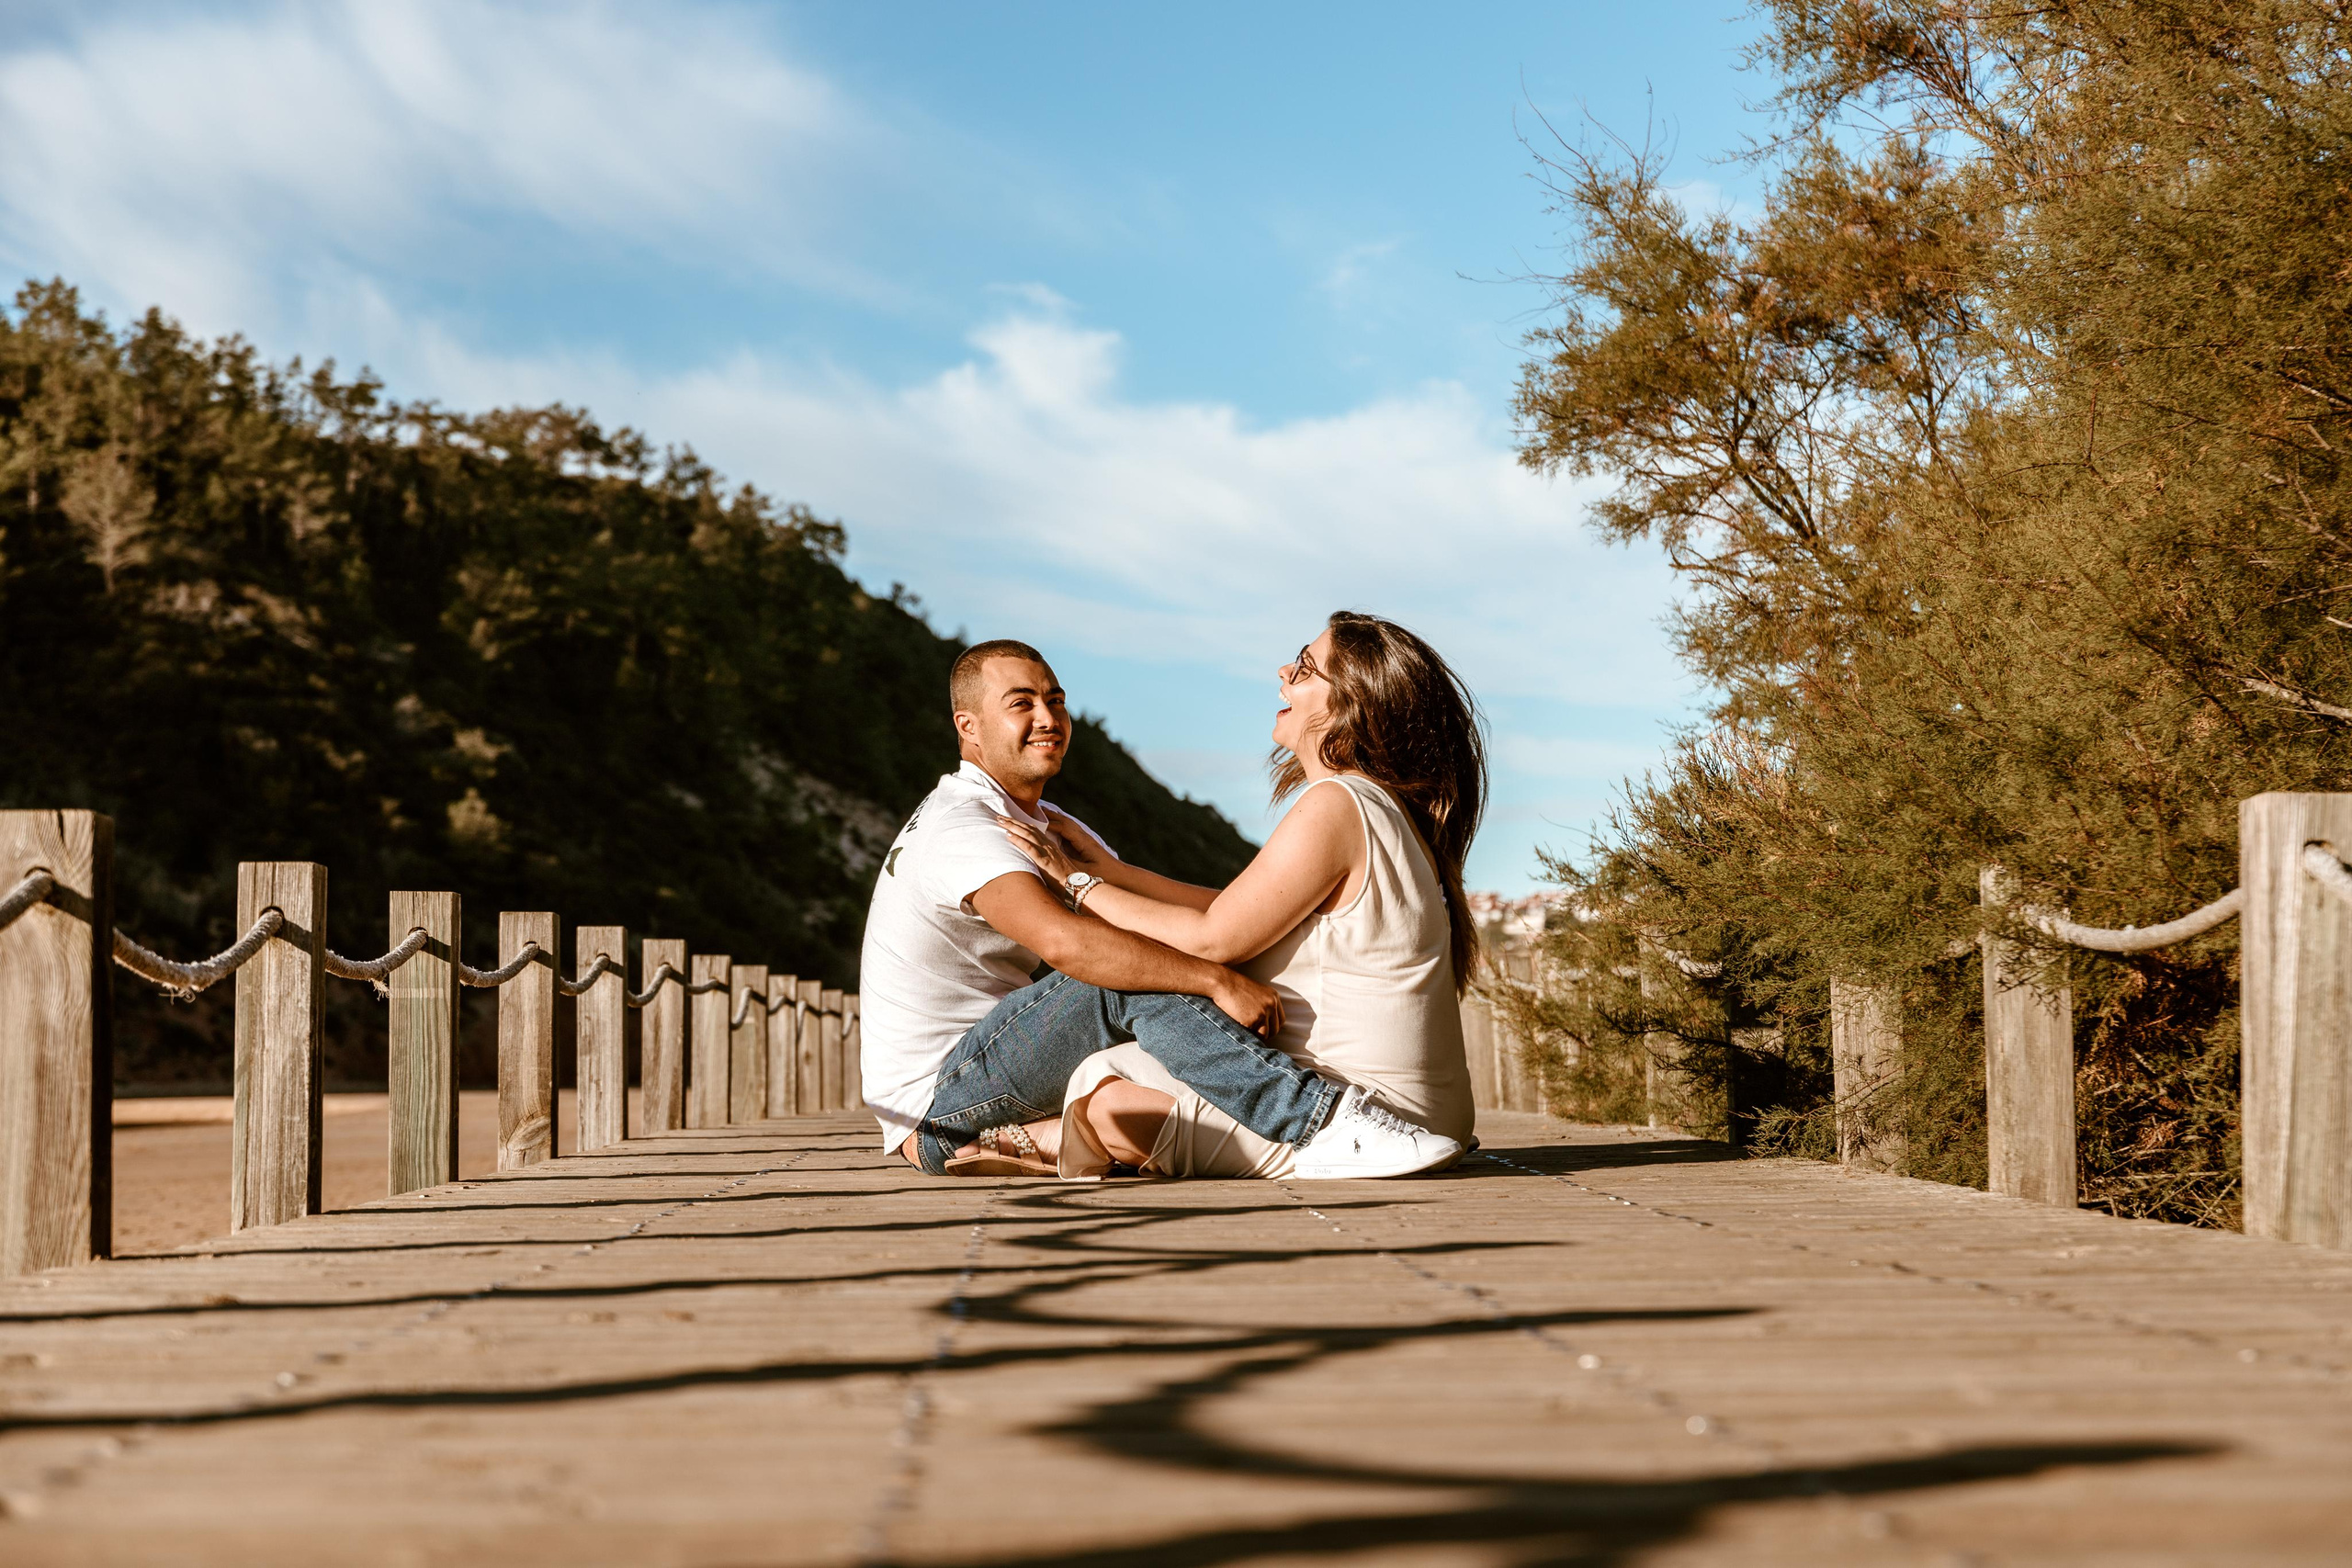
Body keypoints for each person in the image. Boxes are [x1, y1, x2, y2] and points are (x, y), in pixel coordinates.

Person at [856, 637, 1462, 1179]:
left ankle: (1044, 1137)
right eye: (1022, 704)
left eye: (1056, 700)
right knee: (1116, 978)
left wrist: (1107, 875)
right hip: (937, 1098)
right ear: (968, 726)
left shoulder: (1048, 826)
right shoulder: (967, 826)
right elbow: (1069, 945)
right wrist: (1215, 980)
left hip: (999, 1060)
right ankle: (1319, 1122)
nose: (1048, 718)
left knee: (1135, 979)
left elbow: (1218, 919)